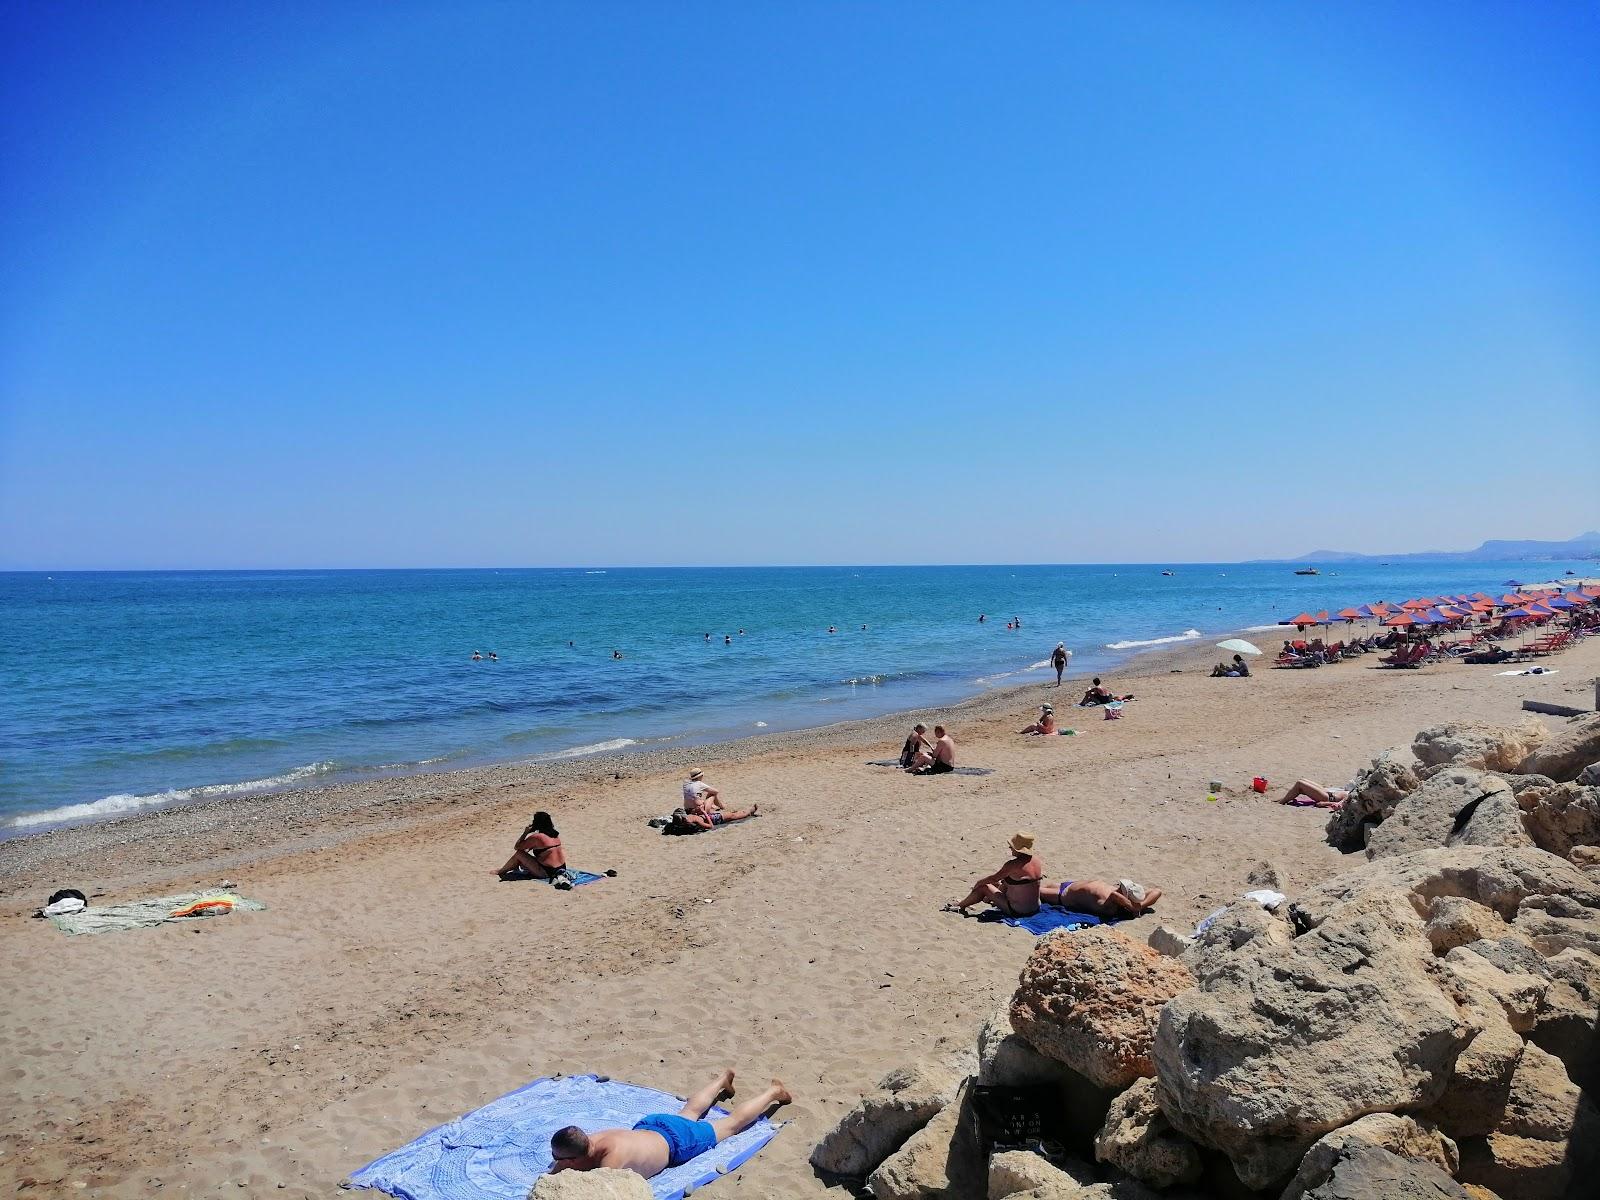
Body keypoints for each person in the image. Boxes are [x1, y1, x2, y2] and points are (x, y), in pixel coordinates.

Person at [548, 1069, 790, 1179]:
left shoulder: (610, 1162)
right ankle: (721, 1080)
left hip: (676, 1141)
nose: (555, 1162)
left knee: (730, 1124)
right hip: (652, 1125)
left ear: (572, 1160)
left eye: (559, 1159)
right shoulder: (587, 1138)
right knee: (689, 1111)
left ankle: (773, 1092)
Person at [943, 832, 1042, 916]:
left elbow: (993, 879)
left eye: (1012, 846)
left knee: (984, 887)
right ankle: (975, 901)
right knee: (1005, 883)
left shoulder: (1012, 865)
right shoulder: (1036, 861)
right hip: (1036, 908)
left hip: (1018, 911)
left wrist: (978, 883)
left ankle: (960, 905)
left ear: (1017, 849)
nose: (1010, 848)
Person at [494, 811, 575, 888]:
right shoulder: (555, 834)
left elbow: (517, 847)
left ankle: (501, 871)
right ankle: (511, 867)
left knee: (519, 854)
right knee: (524, 854)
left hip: (547, 872)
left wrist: (525, 832)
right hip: (561, 869)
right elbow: (533, 848)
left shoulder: (537, 837)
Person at [1042, 878, 1163, 917]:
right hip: (1070, 885)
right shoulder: (1120, 896)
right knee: (1044, 885)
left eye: (1122, 888)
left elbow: (1115, 896)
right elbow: (1157, 891)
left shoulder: (1109, 905)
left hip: (1063, 896)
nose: (1118, 887)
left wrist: (1133, 908)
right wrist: (1141, 906)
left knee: (1035, 890)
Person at [683, 769, 758, 825]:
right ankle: (749, 812)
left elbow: (694, 800)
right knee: (732, 815)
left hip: (690, 810)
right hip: (703, 813)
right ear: (700, 776)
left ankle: (721, 806)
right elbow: (710, 826)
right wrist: (704, 811)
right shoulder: (699, 784)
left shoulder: (686, 785)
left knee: (728, 814)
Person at [1279, 779, 1348, 809]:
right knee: (1302, 780)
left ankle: (1282, 802)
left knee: (1300, 783)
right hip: (1328, 792)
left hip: (1327, 797)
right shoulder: (1356, 792)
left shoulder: (1354, 797)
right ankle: (1284, 798)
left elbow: (1340, 804)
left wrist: (1325, 803)